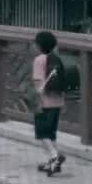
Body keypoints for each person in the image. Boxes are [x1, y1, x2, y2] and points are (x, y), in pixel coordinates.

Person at [31, 30, 66, 175]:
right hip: (57, 102)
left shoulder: (39, 60)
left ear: (39, 46)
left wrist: (36, 101)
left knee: (42, 133)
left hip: (44, 102)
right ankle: (53, 160)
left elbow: (38, 83)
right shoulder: (57, 59)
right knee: (51, 133)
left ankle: (54, 156)